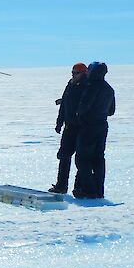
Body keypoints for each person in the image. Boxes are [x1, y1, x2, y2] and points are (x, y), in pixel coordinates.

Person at [73, 62, 116, 199]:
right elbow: (111, 111)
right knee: (98, 159)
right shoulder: (109, 89)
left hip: (88, 127)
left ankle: (88, 190)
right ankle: (98, 190)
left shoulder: (91, 87)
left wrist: (79, 117)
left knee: (82, 159)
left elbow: (83, 108)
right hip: (102, 126)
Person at [49, 62, 88, 194]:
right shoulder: (70, 85)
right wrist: (59, 122)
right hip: (69, 127)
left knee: (80, 159)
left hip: (82, 129)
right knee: (64, 156)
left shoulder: (88, 87)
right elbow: (64, 105)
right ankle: (61, 186)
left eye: (76, 73)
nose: (73, 75)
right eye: (72, 73)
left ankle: (79, 187)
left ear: (84, 73)